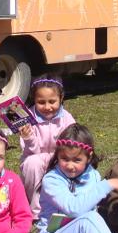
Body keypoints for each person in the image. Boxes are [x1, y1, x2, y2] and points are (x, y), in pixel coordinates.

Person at [18, 75, 76, 214]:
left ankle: (63, 202)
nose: (47, 107)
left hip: (59, 158)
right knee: (33, 163)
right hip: (35, 158)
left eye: (52, 101)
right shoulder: (27, 118)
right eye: (41, 102)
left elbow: (73, 143)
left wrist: (60, 158)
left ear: (61, 98)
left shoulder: (66, 118)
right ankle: (37, 210)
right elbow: (32, 152)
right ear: (34, 100)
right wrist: (28, 137)